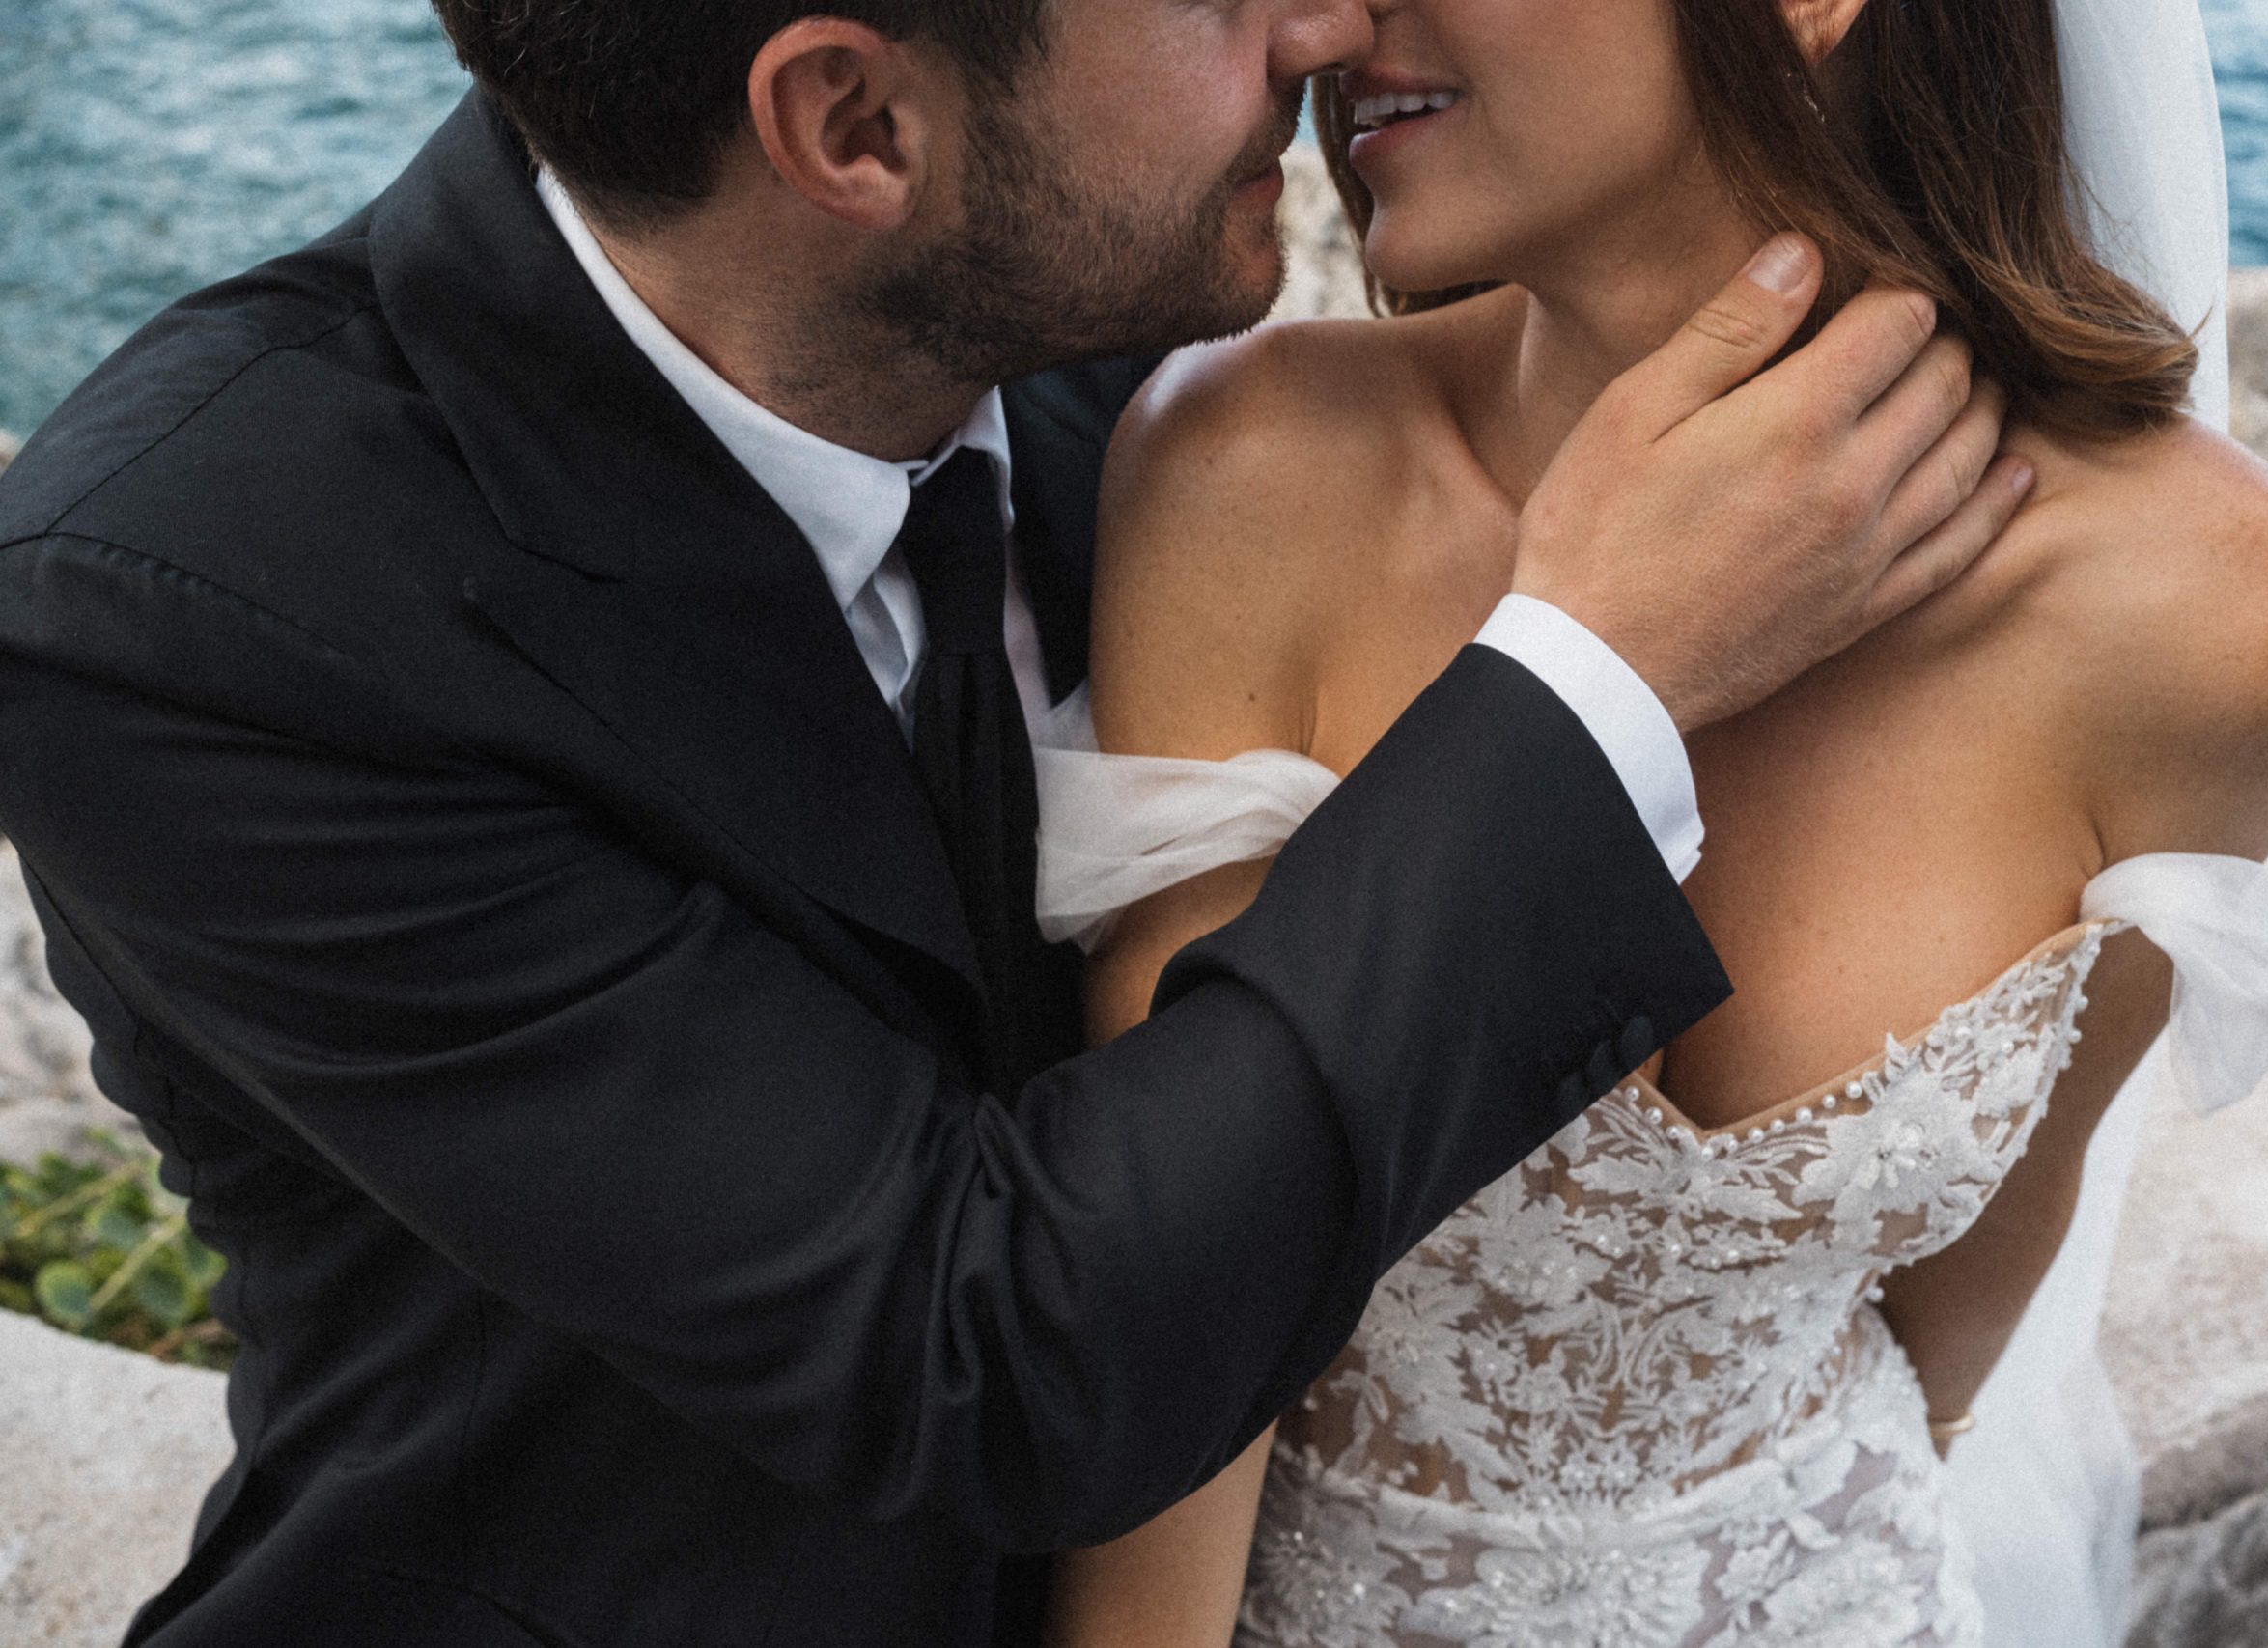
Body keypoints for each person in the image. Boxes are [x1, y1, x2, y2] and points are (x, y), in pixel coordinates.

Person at [0, 0, 2026, 1643]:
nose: (1324, 27)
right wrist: (1600, 679)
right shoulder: (181, 611)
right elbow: (991, 1347)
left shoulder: (1138, 360)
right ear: (853, 125)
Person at [1030, 0, 2268, 1639]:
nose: (1328, 18)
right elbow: (1176, 1328)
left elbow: (1968, 1300)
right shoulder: (1248, 464)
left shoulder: (2230, 610)